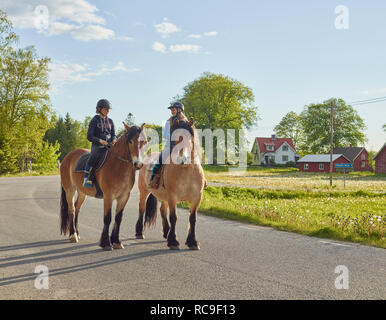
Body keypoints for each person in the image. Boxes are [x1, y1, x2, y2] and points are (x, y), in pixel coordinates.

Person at [148, 101, 188, 188]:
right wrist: (175, 136)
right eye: (171, 110)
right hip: (170, 146)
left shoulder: (185, 122)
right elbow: (165, 135)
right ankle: (153, 180)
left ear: (180, 110)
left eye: (174, 109)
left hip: (184, 146)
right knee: (159, 161)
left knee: (197, 158)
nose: (172, 111)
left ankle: (203, 179)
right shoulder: (168, 121)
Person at [83, 99, 117, 187]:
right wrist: (99, 141)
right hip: (97, 145)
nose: (108, 111)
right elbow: (89, 136)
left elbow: (114, 135)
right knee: (94, 156)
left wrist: (113, 139)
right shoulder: (94, 120)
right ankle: (87, 178)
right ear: (99, 109)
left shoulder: (111, 121)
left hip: (109, 145)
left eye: (108, 109)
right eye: (106, 109)